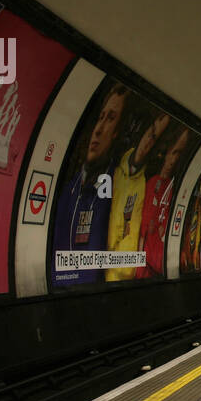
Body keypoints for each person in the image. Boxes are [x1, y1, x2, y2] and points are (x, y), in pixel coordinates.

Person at [52, 84, 128, 286]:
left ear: (116, 133)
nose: (98, 129)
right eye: (100, 117)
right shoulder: (71, 187)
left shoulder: (115, 183)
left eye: (110, 118)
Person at [107, 112, 170, 281]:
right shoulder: (115, 166)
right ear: (142, 132)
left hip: (123, 274)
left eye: (155, 139)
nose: (149, 142)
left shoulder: (144, 184)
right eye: (150, 134)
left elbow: (135, 232)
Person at [135, 126, 191, 279]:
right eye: (174, 152)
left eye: (179, 155)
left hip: (160, 272)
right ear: (166, 152)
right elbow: (144, 233)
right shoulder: (152, 184)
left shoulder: (176, 190)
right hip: (144, 272)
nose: (174, 160)